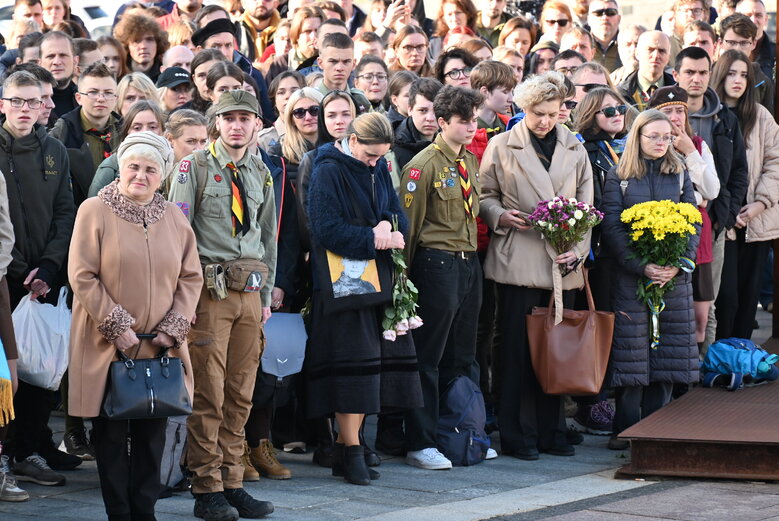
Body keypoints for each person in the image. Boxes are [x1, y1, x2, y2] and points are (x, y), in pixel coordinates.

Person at [67, 131, 202, 521]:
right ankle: (119, 514)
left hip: (160, 347)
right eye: (133, 167)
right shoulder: (94, 209)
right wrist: (117, 325)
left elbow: (190, 277)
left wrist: (172, 328)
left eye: (150, 170)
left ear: (163, 175)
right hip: (107, 344)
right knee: (110, 437)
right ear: (120, 167)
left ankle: (145, 513)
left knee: (152, 437)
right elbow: (82, 274)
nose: (140, 175)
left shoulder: (173, 216)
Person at [168, 90, 276, 521]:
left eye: (245, 118)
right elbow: (177, 234)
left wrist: (267, 297)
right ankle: (206, 486)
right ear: (216, 124)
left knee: (240, 392)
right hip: (208, 295)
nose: (237, 125)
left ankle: (233, 481)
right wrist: (183, 299)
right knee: (208, 394)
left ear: (256, 124)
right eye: (228, 118)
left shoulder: (260, 170)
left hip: (250, 294)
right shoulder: (194, 167)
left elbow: (267, 238)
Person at [478, 71, 593, 460]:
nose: (545, 120)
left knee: (556, 350)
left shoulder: (576, 148)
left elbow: (587, 204)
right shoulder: (500, 145)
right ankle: (516, 433)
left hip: (562, 263)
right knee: (514, 351)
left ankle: (552, 430)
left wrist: (576, 248)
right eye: (537, 113)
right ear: (523, 110)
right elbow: (484, 195)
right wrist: (500, 215)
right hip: (518, 259)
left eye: (552, 112)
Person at [306, 111, 421, 485]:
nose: (375, 162)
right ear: (352, 141)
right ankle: (352, 449)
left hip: (375, 280)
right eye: (370, 155)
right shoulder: (328, 169)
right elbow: (325, 229)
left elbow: (396, 212)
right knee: (350, 373)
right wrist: (373, 237)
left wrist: (389, 224)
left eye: (381, 157)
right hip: (343, 286)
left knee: (369, 371)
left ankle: (347, 448)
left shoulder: (380, 165)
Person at [398, 86, 494, 470]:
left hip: (468, 261)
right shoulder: (422, 167)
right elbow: (409, 227)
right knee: (429, 356)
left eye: (474, 119)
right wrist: (402, 280)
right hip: (435, 264)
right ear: (442, 123)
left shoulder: (468, 161)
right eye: (464, 121)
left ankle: (462, 432)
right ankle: (420, 441)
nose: (472, 127)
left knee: (464, 355)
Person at [600, 109, 700, 450]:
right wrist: (641, 265)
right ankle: (625, 429)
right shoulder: (620, 176)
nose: (660, 142)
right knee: (632, 352)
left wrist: (678, 263)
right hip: (632, 278)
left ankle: (658, 429)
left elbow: (694, 221)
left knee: (668, 354)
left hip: (672, 278)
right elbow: (611, 226)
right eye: (653, 136)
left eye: (666, 136)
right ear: (638, 136)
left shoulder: (681, 172)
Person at [0, 70, 76, 487]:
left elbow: (66, 212)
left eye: (33, 101)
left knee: (42, 366)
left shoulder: (54, 149)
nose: (26, 110)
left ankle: (29, 448)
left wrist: (48, 267)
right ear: (3, 104)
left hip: (45, 276)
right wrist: (15, 269)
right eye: (17, 101)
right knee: (7, 369)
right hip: (5, 276)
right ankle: (5, 452)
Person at [673, 45, 748, 351]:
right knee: (676, 302)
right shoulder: (663, 116)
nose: (697, 79)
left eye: (703, 72)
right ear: (676, 74)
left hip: (712, 222)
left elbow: (739, 172)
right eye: (689, 72)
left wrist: (725, 216)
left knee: (709, 301)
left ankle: (705, 369)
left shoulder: (725, 119)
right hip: (670, 224)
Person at [710, 50, 779, 341]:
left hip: (756, 219)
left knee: (749, 297)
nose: (738, 80)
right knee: (726, 296)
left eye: (743, 75)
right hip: (721, 220)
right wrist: (727, 211)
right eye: (731, 73)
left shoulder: (761, 115)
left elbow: (775, 161)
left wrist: (761, 203)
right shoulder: (710, 115)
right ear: (720, 75)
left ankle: (741, 356)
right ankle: (719, 356)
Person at [647, 86, 720, 350]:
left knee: (699, 315)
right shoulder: (648, 148)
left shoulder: (698, 144)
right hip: (660, 234)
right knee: (668, 310)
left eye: (680, 111)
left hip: (697, 236)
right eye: (668, 112)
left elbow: (712, 190)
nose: (675, 117)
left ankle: (694, 367)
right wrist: (697, 198)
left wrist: (690, 152)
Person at [50, 63, 122, 208]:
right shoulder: (63, 131)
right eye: (93, 92)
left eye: (108, 93)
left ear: (116, 98)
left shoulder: (125, 130)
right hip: (77, 214)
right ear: (78, 98)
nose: (101, 99)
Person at [88, 100, 167, 197]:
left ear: (162, 131)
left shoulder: (170, 163)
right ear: (127, 132)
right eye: (137, 128)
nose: (145, 132)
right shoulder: (111, 168)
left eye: (152, 127)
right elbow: (95, 207)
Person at [717, 13, 774, 114]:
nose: (737, 49)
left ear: (754, 44)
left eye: (744, 43)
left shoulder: (763, 83)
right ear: (720, 43)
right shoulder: (707, 75)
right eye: (732, 42)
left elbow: (766, 125)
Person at [270, 87, 324, 183]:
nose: (308, 117)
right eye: (299, 112)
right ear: (291, 119)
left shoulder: (339, 146)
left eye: (314, 110)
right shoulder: (278, 153)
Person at [393, 78, 443, 173]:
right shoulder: (394, 148)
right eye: (423, 110)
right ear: (410, 109)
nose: (430, 118)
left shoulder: (449, 139)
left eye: (437, 111)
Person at [617, 31, 673, 111]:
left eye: (662, 51)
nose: (656, 55)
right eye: (650, 50)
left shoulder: (678, 90)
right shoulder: (620, 94)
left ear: (668, 57)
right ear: (637, 53)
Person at [114, 13, 169, 83]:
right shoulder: (119, 74)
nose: (143, 46)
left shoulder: (166, 74)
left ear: (157, 44)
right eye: (137, 41)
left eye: (149, 40)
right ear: (127, 45)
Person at [258, 70, 305, 151]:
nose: (288, 96)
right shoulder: (263, 139)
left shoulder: (313, 131)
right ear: (274, 100)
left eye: (294, 91)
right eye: (281, 92)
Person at [735, 0, 774, 81]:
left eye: (758, 15)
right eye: (747, 16)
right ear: (736, 19)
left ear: (766, 19)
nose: (753, 20)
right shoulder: (723, 50)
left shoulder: (775, 53)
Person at [588, 0, 622, 71]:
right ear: (589, 19)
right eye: (598, 13)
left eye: (611, 12)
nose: (605, 17)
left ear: (619, 18)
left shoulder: (630, 46)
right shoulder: (580, 45)